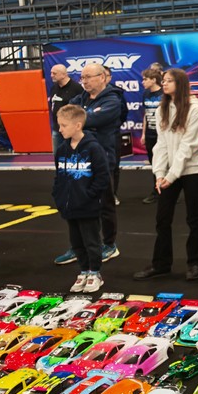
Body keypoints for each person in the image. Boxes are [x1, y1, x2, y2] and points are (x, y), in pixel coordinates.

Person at [134, 68, 198, 282]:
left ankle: (195, 263)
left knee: (193, 217)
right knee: (162, 218)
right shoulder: (161, 109)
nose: (164, 84)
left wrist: (171, 175)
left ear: (180, 84)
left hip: (191, 170)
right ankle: (161, 264)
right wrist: (159, 174)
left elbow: (189, 145)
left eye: (169, 81)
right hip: (168, 173)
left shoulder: (194, 109)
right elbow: (161, 145)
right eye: (163, 80)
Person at [61, 64, 123, 265]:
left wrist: (81, 121)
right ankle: (78, 247)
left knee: (104, 205)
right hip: (78, 159)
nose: (84, 81)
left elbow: (94, 119)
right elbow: (66, 116)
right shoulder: (80, 99)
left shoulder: (113, 99)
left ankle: (109, 244)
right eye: (82, 77)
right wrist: (84, 120)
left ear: (103, 77)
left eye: (88, 77)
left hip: (102, 160)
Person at [52, 105, 111, 293]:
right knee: (76, 242)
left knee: (91, 242)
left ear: (78, 125)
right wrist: (59, 195)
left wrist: (89, 196)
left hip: (88, 206)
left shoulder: (93, 148)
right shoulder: (62, 149)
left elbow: (103, 176)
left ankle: (95, 273)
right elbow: (59, 176)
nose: (60, 129)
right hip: (69, 206)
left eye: (64, 125)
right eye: (59, 125)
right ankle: (84, 271)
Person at [103, 66, 129, 206]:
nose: (103, 78)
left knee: (113, 166)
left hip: (113, 134)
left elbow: (124, 112)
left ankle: (113, 194)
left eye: (106, 75)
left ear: (110, 77)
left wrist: (115, 124)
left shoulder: (117, 93)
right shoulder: (88, 93)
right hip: (94, 136)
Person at [140, 67, 164, 204]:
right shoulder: (146, 94)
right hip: (150, 134)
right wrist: (143, 133)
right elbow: (146, 115)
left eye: (145, 79)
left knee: (164, 163)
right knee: (154, 164)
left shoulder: (164, 94)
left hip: (162, 135)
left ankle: (166, 191)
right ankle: (156, 190)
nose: (143, 82)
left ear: (154, 80)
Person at [49, 64, 84, 155]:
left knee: (72, 155)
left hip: (71, 129)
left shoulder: (76, 88)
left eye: (54, 73)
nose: (51, 75)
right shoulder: (54, 88)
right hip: (57, 128)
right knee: (57, 155)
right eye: (51, 73)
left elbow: (81, 108)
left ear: (64, 74)